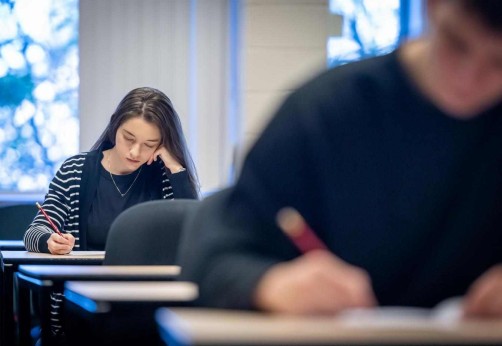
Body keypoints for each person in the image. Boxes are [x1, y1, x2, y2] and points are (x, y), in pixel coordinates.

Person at [179, 0, 502, 318]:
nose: (468, 78)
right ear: (431, 7)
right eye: (456, 44)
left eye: (498, 62)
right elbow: (213, 255)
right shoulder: (326, 113)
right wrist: (269, 284)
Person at [23, 86, 199, 343]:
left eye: (149, 144)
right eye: (129, 138)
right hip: (82, 304)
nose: (135, 152)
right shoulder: (76, 170)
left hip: (147, 307)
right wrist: (50, 241)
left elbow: (194, 233)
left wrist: (175, 169)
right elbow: (33, 233)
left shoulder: (164, 177)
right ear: (115, 126)